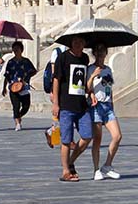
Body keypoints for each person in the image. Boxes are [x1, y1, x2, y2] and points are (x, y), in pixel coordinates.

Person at [52, 36, 92, 181]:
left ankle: (70, 162)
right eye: (75, 41)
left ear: (84, 43)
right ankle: (65, 171)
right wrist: (56, 103)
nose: (78, 44)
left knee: (87, 136)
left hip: (82, 105)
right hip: (66, 105)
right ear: (70, 42)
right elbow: (56, 80)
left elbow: (86, 81)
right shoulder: (63, 58)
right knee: (66, 140)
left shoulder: (85, 58)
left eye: (81, 41)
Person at [88, 43, 122, 181]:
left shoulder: (108, 69)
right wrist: (93, 76)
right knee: (97, 140)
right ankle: (96, 169)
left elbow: (109, 88)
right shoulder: (90, 68)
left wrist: (112, 104)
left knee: (117, 136)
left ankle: (107, 165)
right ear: (94, 53)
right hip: (96, 106)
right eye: (98, 51)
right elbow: (87, 88)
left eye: (103, 51)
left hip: (107, 106)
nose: (100, 53)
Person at [2, 41, 37, 131]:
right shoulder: (10, 62)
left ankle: (19, 116)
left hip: (24, 87)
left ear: (21, 50)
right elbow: (6, 75)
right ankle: (17, 123)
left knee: (26, 106)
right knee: (16, 106)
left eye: (18, 49)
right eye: (14, 49)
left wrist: (26, 78)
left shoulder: (26, 61)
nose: (16, 51)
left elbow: (33, 71)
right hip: (13, 87)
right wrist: (4, 88)